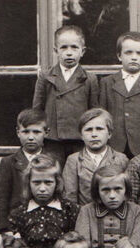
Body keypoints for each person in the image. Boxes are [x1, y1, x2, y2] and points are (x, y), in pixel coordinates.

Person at [32, 25, 99, 158]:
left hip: (80, 140)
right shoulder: (46, 77)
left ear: (83, 51)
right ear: (56, 50)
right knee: (54, 174)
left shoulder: (89, 78)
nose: (69, 52)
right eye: (63, 47)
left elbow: (94, 112)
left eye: (74, 47)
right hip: (52, 140)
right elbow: (37, 111)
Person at [8, 154, 79, 248]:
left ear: (57, 183)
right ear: (28, 183)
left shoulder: (69, 210)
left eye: (48, 182)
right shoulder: (19, 213)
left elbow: (77, 247)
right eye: (36, 182)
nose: (42, 188)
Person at [0, 108, 63, 233]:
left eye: (36, 132)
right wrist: (4, 229)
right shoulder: (8, 163)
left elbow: (60, 192)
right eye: (26, 132)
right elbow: (1, 198)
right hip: (17, 225)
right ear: (18, 132)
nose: (31, 137)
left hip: (49, 222)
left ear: (46, 133)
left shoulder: (54, 161)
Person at [75, 165, 140, 248]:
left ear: (126, 190)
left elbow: (135, 247)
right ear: (97, 191)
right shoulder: (87, 211)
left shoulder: (136, 211)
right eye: (105, 190)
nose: (112, 196)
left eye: (118, 189)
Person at [99, 31, 140, 158]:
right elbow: (102, 115)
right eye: (128, 52)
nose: (134, 57)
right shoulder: (107, 82)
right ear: (119, 56)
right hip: (114, 146)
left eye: (139, 53)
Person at [61, 108, 129, 205]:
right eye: (88, 130)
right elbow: (70, 195)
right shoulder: (74, 160)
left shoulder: (121, 159)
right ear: (81, 135)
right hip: (84, 215)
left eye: (99, 129)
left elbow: (127, 194)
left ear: (109, 133)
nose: (94, 134)